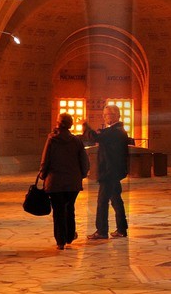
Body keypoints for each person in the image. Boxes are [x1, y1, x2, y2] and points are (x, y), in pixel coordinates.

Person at [39, 114, 88, 251]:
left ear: (57, 124)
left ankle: (60, 241)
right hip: (72, 182)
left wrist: (43, 174)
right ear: (70, 125)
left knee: (58, 211)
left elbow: (45, 160)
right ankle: (69, 236)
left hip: (55, 182)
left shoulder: (52, 140)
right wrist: (82, 174)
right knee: (70, 208)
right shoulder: (76, 141)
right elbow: (84, 160)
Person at [85, 104, 132, 240]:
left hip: (109, 172)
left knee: (102, 202)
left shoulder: (116, 131)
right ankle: (121, 229)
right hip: (113, 171)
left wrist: (85, 127)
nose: (105, 117)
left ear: (117, 115)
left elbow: (96, 137)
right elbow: (102, 136)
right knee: (116, 200)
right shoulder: (116, 130)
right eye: (104, 115)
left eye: (108, 114)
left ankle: (102, 231)